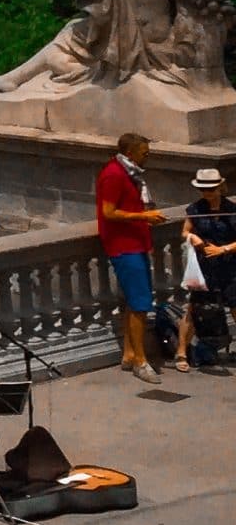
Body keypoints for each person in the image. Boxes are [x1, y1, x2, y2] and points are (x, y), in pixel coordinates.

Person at [97, 132, 173, 381]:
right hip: (124, 247)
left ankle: (130, 353)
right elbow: (108, 212)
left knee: (133, 300)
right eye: (144, 153)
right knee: (140, 304)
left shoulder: (129, 174)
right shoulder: (113, 175)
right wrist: (144, 217)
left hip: (135, 243)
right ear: (130, 154)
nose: (147, 156)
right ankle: (141, 361)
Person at [176, 165, 236, 372]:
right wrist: (193, 237)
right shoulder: (195, 210)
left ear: (220, 187)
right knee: (194, 309)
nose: (207, 193)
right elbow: (185, 232)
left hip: (229, 265)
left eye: (210, 189)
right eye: (203, 190)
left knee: (235, 306)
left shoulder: (232, 209)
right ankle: (181, 351)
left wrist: (224, 249)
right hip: (204, 268)